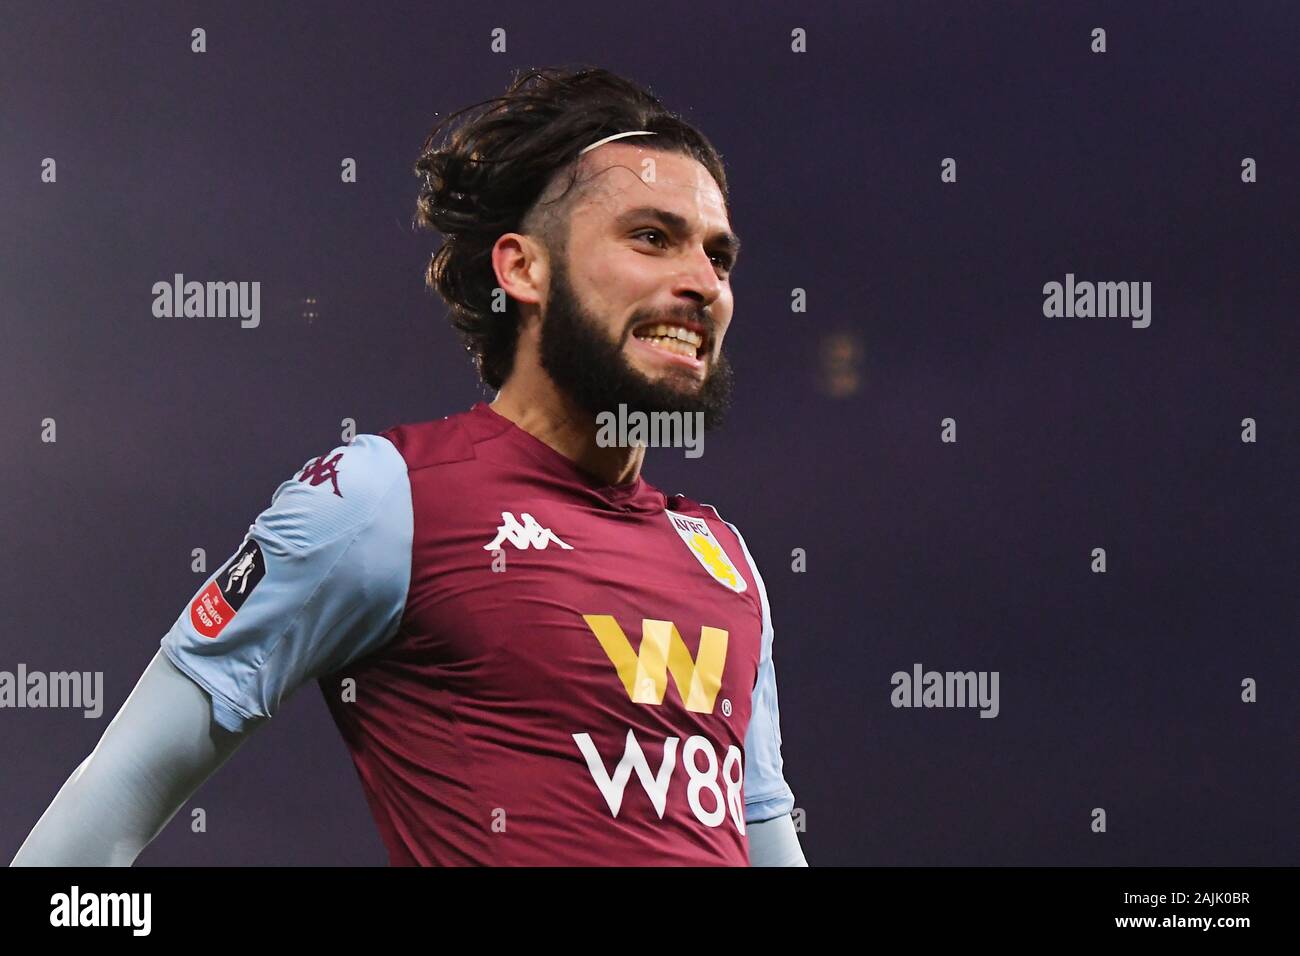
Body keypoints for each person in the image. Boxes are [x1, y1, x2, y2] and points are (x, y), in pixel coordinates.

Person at [12, 66, 806, 867]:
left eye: (720, 258)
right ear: (522, 269)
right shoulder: (383, 498)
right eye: (651, 238)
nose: (703, 283)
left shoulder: (723, 563)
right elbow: (100, 816)